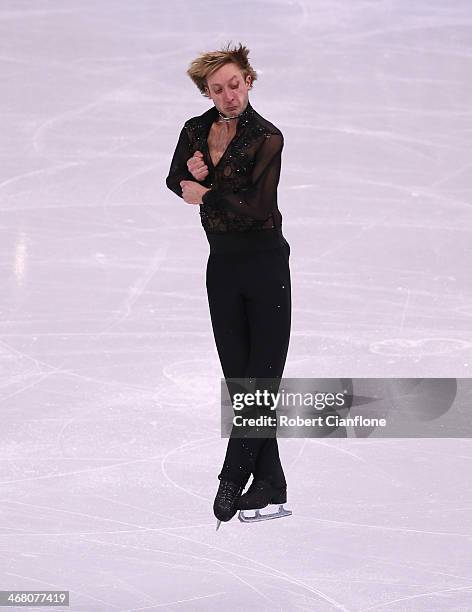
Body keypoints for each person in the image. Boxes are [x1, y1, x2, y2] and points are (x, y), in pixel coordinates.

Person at [166, 42, 292, 529]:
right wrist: (187, 181)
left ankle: (231, 476)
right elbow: (173, 177)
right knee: (243, 382)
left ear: (249, 81)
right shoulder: (195, 129)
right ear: (208, 92)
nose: (229, 95)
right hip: (221, 267)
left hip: (265, 266)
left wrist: (201, 191)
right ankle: (271, 481)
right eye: (218, 89)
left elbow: (256, 207)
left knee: (262, 378)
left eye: (235, 84)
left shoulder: (268, 136)